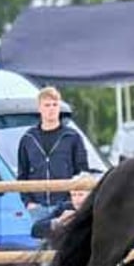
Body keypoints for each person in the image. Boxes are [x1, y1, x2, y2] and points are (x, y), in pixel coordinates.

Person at [18, 86, 88, 222]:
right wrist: (28, 202)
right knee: (42, 242)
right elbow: (22, 173)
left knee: (67, 242)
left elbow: (82, 172)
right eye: (47, 105)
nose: (51, 109)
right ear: (39, 108)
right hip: (38, 207)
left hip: (65, 206)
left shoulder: (72, 137)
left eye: (55, 105)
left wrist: (72, 201)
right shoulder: (28, 138)